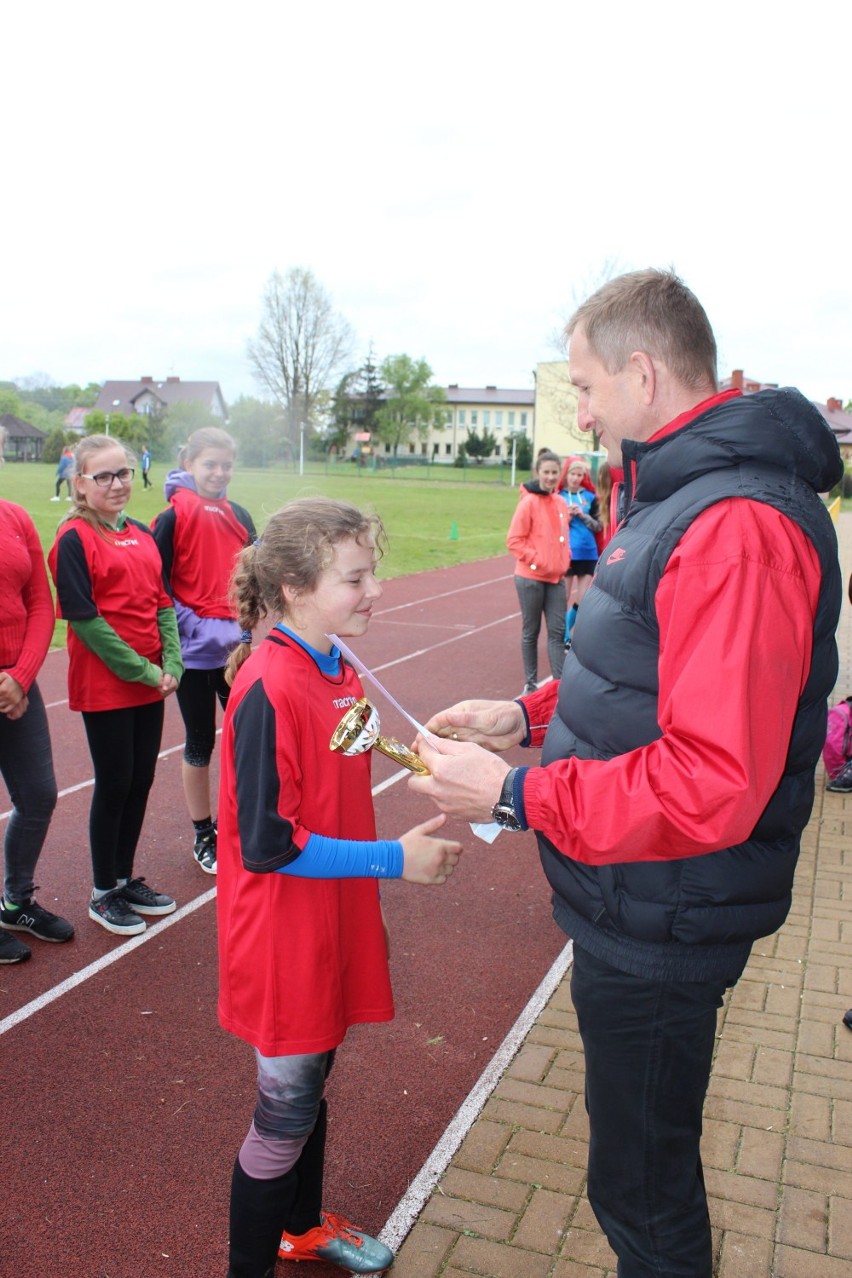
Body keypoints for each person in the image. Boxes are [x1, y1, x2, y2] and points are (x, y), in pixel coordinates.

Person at [408, 268, 843, 1278]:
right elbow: (643, 667)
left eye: (587, 386)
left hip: (666, 907)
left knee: (641, 1191)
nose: (583, 411)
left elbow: (709, 779)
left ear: (643, 374)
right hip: (641, 894)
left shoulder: (735, 526)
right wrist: (524, 715)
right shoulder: (685, 496)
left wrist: (512, 795)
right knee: (635, 1174)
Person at [217, 496, 462, 1278]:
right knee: (282, 1114)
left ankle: (301, 1228)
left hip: (333, 916)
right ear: (292, 586)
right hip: (283, 931)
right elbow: (267, 844)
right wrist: (394, 860)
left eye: (373, 573)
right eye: (355, 578)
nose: (376, 590)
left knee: (315, 1077)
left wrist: (446, 770)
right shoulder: (268, 685)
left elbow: (351, 751)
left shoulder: (338, 666)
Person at [48, 435, 184, 937]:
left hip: (153, 679)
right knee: (116, 781)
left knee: (142, 779)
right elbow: (86, 622)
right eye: (102, 476)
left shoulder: (143, 533)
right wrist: (148, 671)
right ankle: (103, 891)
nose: (117, 483)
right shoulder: (72, 540)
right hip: (108, 682)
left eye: (123, 472)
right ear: (80, 483)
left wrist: (172, 660)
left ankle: (123, 879)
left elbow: (162, 603)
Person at [151, 427, 256, 876]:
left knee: (250, 737)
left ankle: (248, 820)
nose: (218, 472)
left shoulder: (241, 516)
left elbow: (255, 581)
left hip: (237, 652)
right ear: (188, 463)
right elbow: (157, 585)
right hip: (194, 654)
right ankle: (203, 833)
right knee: (199, 743)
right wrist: (194, 628)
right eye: (209, 463)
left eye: (226, 464)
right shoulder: (171, 519)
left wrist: (247, 632)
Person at [0, 425, 74, 963]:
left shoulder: (14, 516)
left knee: (39, 795)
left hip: (16, 684)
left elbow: (40, 603)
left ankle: (15, 901)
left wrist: (20, 677)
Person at [507, 449, 570, 694]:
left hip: (556, 579)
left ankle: (559, 685)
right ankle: (530, 683)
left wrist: (565, 560)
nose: (551, 477)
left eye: (555, 472)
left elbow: (562, 539)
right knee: (531, 631)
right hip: (530, 578)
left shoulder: (561, 502)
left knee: (557, 632)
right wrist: (538, 561)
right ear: (538, 473)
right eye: (546, 472)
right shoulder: (529, 502)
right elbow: (514, 540)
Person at [558, 456, 601, 646]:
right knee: (563, 598)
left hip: (588, 552)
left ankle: (570, 632)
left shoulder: (590, 497)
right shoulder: (558, 497)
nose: (575, 478)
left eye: (579, 475)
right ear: (567, 475)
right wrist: (566, 518)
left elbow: (599, 526)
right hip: (567, 552)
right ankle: (565, 636)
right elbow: (552, 526)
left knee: (583, 600)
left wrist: (582, 515)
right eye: (573, 474)